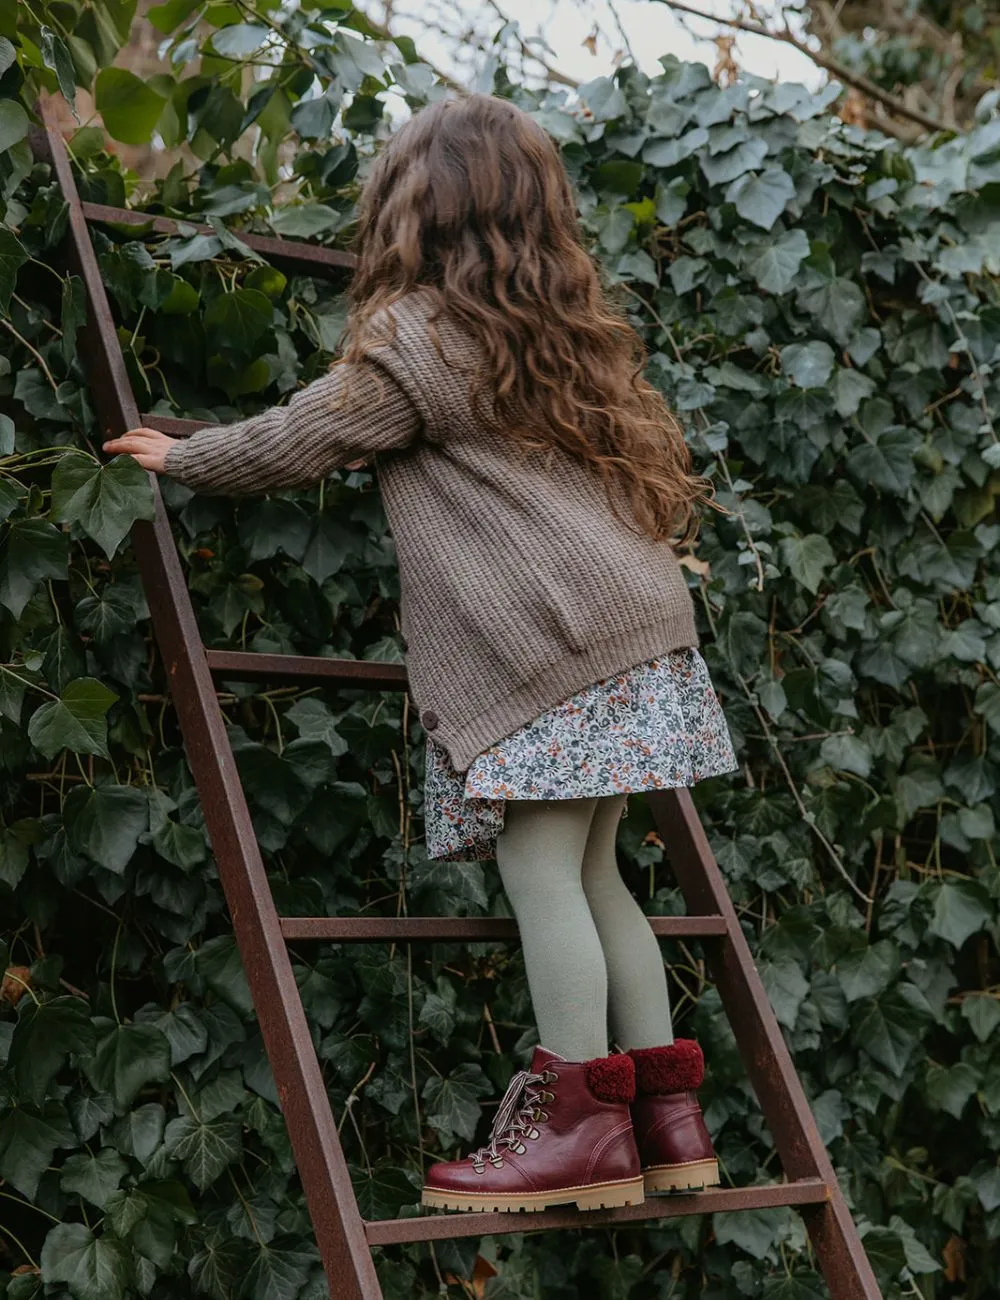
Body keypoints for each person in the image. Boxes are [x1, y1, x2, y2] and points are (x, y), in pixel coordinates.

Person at [104, 93, 737, 1215]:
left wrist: (183, 455)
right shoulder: (560, 334)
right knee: (598, 877)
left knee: (541, 873)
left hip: (553, 643)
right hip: (636, 633)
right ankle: (666, 1122)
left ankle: (576, 1140)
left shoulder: (418, 335)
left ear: (415, 211)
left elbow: (305, 435)